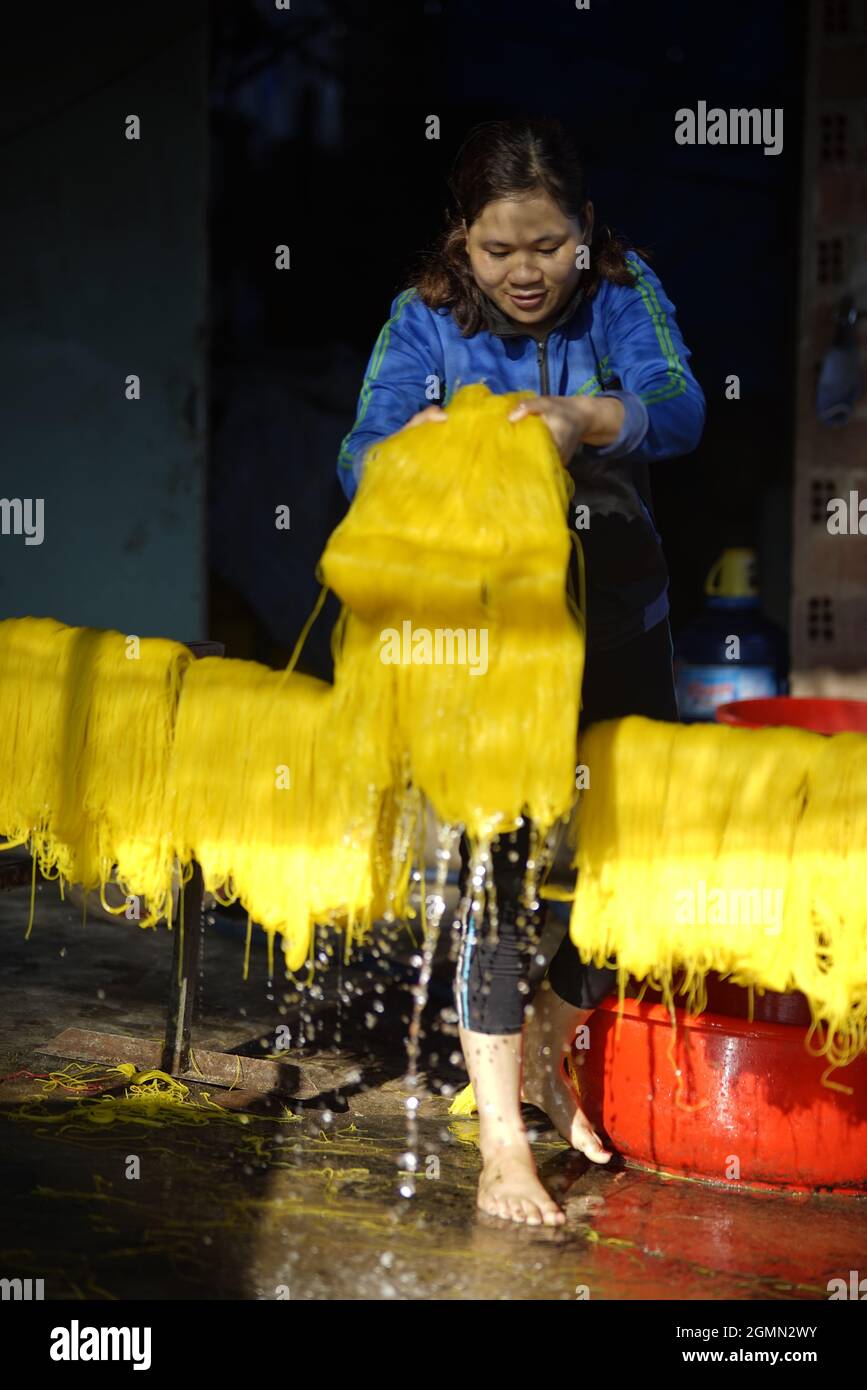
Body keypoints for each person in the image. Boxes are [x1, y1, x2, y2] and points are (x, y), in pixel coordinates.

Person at [336, 118, 706, 1226]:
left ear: (584, 234)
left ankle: (549, 1038)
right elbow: (359, 452)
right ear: (463, 241)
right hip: (493, 651)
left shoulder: (623, 294)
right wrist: (436, 440)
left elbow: (679, 406)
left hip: (623, 628)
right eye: (500, 250)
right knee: (499, 875)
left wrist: (587, 417)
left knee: (634, 865)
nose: (526, 272)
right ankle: (502, 1141)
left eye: (547, 244)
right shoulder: (426, 321)